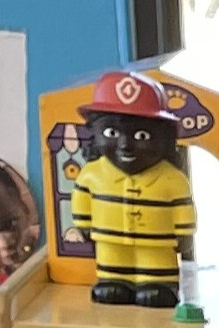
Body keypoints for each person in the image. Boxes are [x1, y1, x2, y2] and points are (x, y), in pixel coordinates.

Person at [67, 71, 194, 308]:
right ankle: (115, 281)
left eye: (142, 135)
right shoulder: (92, 174)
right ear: (94, 135)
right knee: (112, 271)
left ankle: (158, 284)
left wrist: (184, 235)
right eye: (112, 133)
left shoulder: (173, 179)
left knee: (155, 271)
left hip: (157, 246)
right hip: (109, 243)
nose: (125, 144)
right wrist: (84, 226)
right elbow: (82, 203)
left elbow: (182, 211)